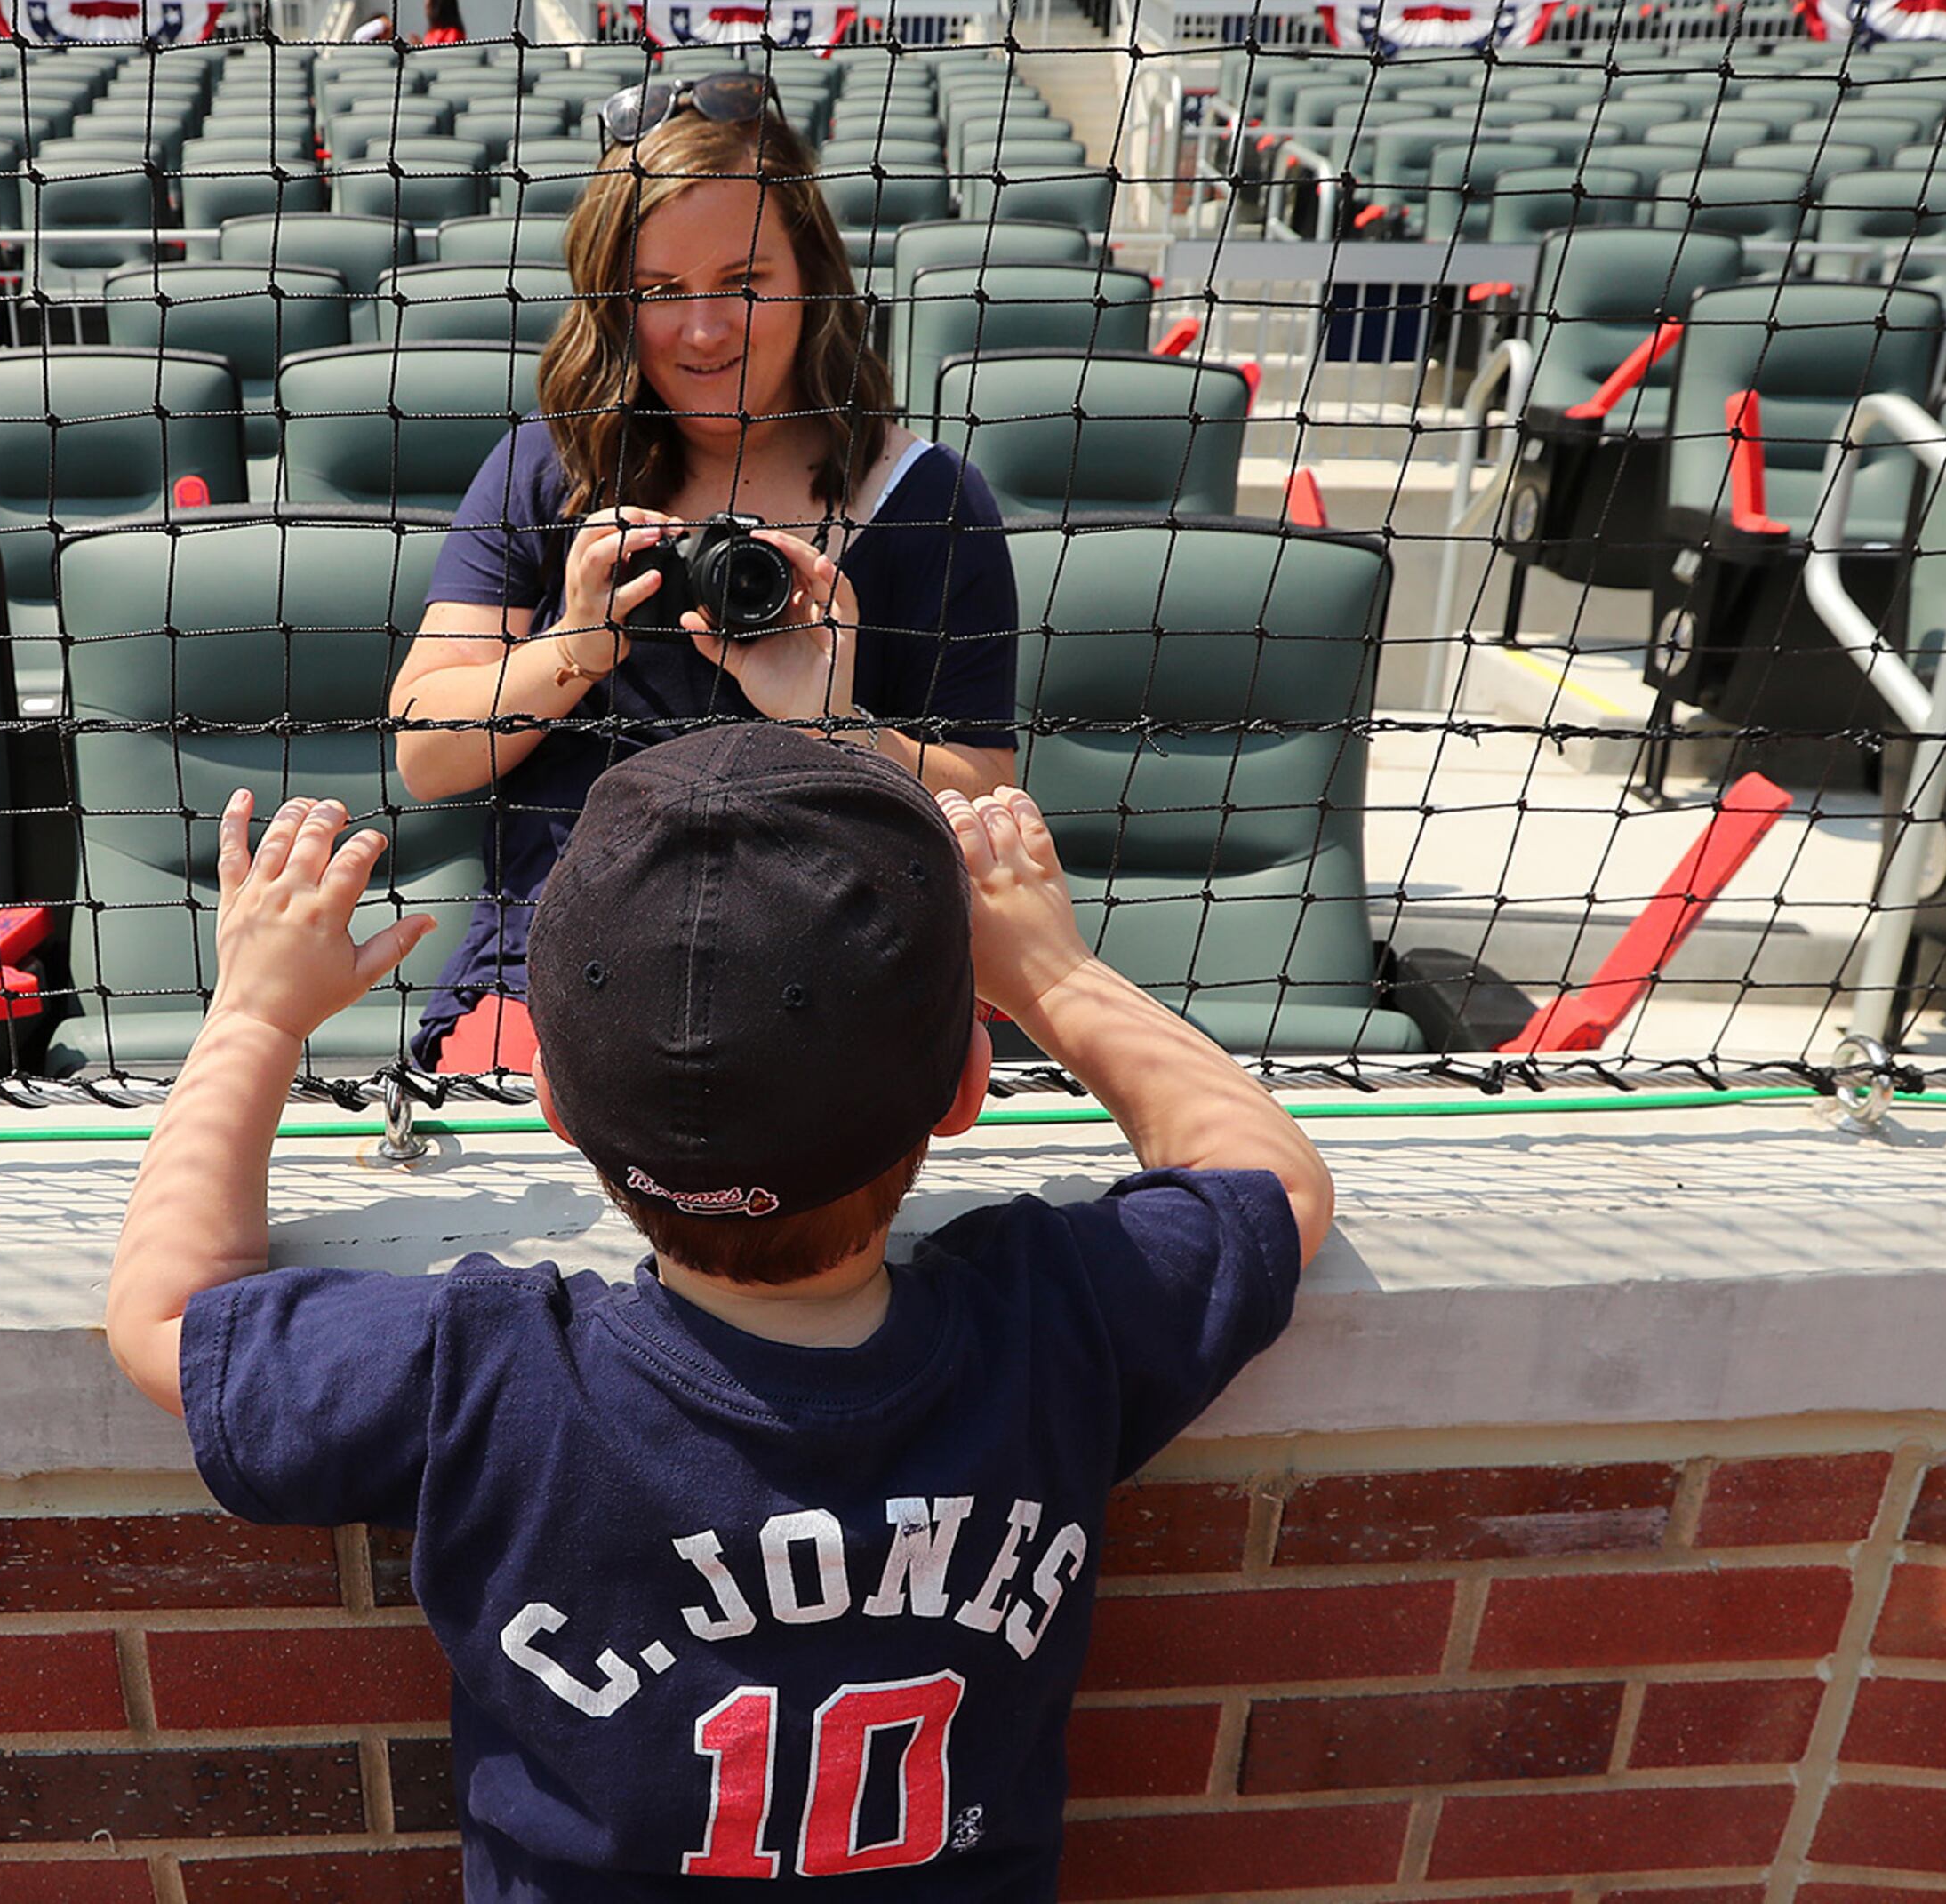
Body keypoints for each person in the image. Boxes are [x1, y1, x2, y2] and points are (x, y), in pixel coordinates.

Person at [107, 724, 1332, 1898]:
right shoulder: (1051, 1324)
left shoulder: (485, 1378)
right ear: (966, 1086)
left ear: (554, 1103)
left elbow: (167, 1317)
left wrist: (257, 1015)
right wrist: (1051, 968)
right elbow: (1269, 1181)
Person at [388, 68, 1021, 1072]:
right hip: (562, 967)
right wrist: (573, 648)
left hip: (848, 962)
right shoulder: (542, 470)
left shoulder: (930, 498)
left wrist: (833, 727)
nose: (703, 329)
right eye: (659, 293)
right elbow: (424, 754)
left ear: (809, 278)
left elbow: (986, 799)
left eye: (744, 282)